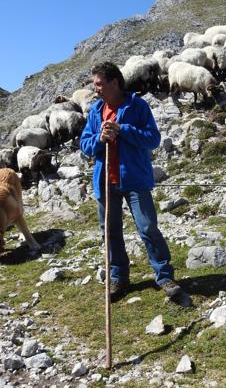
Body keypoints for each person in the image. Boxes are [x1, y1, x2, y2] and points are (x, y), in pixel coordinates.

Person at [79, 62, 184, 301]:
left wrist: (123, 129)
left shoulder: (137, 106)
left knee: (147, 227)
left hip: (134, 179)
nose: (96, 89)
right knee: (110, 231)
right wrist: (99, 138)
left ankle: (165, 276)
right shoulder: (96, 110)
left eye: (99, 84)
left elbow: (153, 139)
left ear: (114, 83)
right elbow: (85, 145)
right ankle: (118, 278)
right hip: (105, 180)